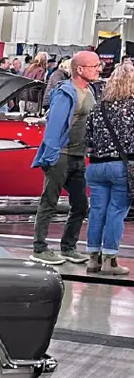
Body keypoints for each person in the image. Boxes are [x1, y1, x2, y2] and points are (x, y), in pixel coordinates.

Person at [30, 51, 102, 265]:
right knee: (49, 203)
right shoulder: (66, 93)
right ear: (80, 69)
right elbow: (53, 127)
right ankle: (39, 248)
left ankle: (68, 247)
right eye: (95, 65)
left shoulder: (89, 90)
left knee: (80, 205)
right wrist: (50, 157)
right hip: (61, 156)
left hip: (78, 157)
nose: (100, 68)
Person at [83, 63, 134, 275]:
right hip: (123, 167)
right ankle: (110, 261)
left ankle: (92, 259)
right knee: (116, 213)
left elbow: (88, 139)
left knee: (97, 212)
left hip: (96, 167)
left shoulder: (98, 107)